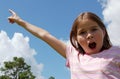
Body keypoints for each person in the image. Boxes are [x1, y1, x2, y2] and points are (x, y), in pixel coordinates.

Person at [8, 9, 120, 79]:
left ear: (103, 32)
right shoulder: (73, 55)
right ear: (76, 38)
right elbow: (44, 35)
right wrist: (21, 22)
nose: (89, 35)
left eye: (94, 29)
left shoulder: (116, 52)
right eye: (82, 32)